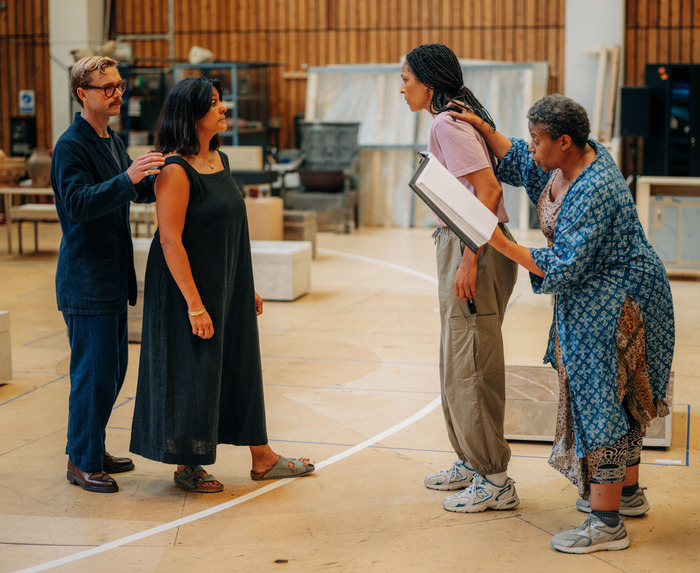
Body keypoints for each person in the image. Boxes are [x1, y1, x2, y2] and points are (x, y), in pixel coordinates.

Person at [448, 94, 674, 553]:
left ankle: (606, 523)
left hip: (619, 304)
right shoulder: (562, 163)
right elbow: (519, 163)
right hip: (599, 296)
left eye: (537, 139)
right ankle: (626, 494)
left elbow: (565, 265)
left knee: (603, 405)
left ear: (565, 142)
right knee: (618, 399)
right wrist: (481, 125)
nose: (530, 147)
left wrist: (496, 239)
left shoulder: (593, 188)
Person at [129, 77, 314, 492]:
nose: (223, 109)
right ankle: (187, 464)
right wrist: (195, 305)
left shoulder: (220, 160)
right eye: (213, 104)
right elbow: (170, 240)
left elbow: (228, 230)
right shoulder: (174, 169)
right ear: (192, 115)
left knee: (240, 367)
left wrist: (242, 285)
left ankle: (262, 456)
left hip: (226, 283)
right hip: (186, 290)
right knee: (194, 371)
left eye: (219, 102)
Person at [400, 44, 520, 513]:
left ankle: (495, 478)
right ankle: (472, 461)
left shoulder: (445, 123)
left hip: (476, 246)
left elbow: (489, 189)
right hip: (467, 241)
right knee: (457, 358)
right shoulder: (451, 120)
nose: (402, 87)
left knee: (471, 362)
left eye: (407, 78)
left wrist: (469, 258)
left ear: (428, 82)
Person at [51, 56, 165, 493]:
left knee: (113, 372)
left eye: (120, 86)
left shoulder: (109, 140)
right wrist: (128, 177)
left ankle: (90, 447)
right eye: (108, 88)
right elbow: (78, 203)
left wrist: (165, 172)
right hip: (86, 280)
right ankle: (81, 461)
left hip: (113, 278)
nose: (118, 94)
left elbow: (132, 190)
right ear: (83, 93)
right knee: (93, 375)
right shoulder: (70, 146)